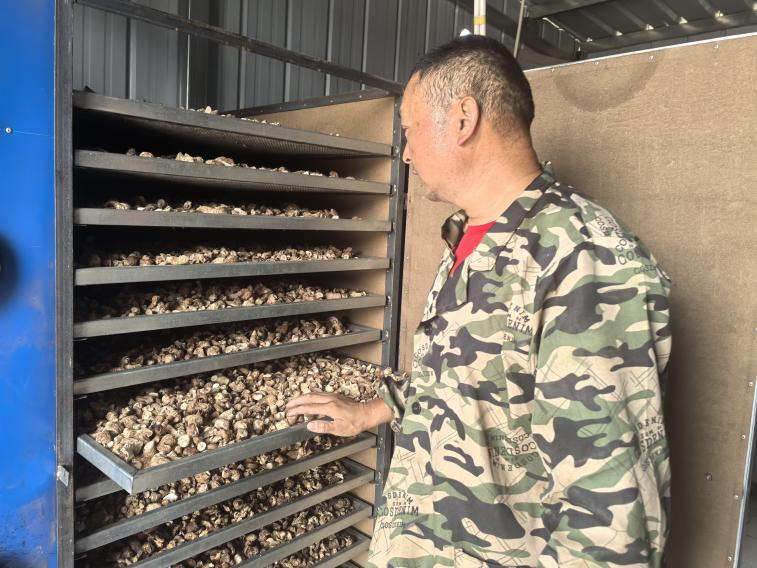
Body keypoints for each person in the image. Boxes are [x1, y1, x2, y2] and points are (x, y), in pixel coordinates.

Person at [286, 35, 671, 568]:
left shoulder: (583, 260)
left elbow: (611, 520)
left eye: (410, 130)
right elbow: (467, 375)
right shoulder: (469, 236)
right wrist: (371, 411)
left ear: (463, 119)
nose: (406, 152)